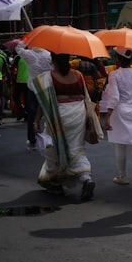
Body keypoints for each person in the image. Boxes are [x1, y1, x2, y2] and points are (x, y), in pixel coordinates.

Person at [32, 52, 98, 201]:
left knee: (54, 150)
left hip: (59, 116)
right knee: (77, 148)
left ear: (53, 60)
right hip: (78, 114)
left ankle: (55, 180)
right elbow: (86, 95)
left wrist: (36, 120)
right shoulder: (78, 75)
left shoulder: (48, 77)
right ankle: (86, 178)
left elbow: (43, 103)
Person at [103, 48, 132, 188]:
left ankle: (122, 176)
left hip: (121, 111)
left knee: (120, 145)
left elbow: (114, 97)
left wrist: (108, 116)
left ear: (117, 59)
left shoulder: (114, 74)